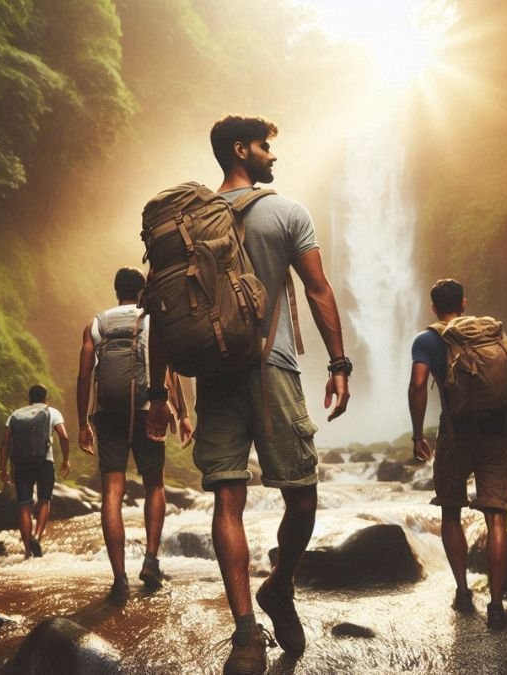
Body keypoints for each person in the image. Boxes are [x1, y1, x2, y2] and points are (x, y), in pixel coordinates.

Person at [147, 114, 351, 675]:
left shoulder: (185, 227)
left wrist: (158, 394)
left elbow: (163, 310)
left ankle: (246, 633)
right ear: (242, 150)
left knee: (226, 499)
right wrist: (338, 362)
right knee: (302, 494)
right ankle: (279, 586)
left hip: (212, 375)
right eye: (265, 147)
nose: (272, 156)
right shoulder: (285, 211)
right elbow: (317, 288)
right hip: (273, 368)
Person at [408, 279, 507, 630]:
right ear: (463, 302)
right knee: (497, 518)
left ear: (433, 308)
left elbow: (417, 384)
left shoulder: (428, 339)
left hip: (456, 435)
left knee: (450, 510)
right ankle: (497, 605)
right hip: (498, 436)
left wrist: (417, 436)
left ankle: (462, 592)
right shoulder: (492, 334)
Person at [76, 267, 193, 602]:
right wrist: (183, 413)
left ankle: (119, 578)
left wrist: (83, 420)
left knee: (112, 492)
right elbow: (168, 369)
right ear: (142, 291)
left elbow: (84, 377)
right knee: (154, 484)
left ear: (116, 291)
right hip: (147, 411)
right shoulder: (154, 321)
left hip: (108, 414)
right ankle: (151, 561)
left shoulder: (96, 324)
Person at [0, 383, 78, 558]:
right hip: (45, 462)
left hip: (20, 464)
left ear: (29, 399)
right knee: (44, 501)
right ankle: (37, 537)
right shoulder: (52, 412)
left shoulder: (15, 414)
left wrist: (3, 468)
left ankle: (27, 551)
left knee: (24, 506)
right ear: (45, 398)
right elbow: (64, 436)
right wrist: (65, 459)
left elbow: (4, 443)